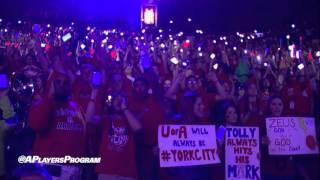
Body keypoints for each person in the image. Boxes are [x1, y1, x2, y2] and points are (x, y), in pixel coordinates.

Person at [28, 73, 89, 179]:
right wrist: (49, 97)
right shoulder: (43, 103)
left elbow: (83, 134)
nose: (61, 85)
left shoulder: (76, 106)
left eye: (65, 83)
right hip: (49, 168)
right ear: (51, 85)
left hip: (73, 169)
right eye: (57, 82)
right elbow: (36, 124)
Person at [95, 93, 142, 180]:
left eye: (121, 98)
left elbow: (138, 129)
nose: (118, 100)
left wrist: (124, 108)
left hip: (127, 173)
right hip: (106, 171)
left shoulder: (132, 120)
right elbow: (91, 119)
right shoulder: (106, 119)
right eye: (116, 98)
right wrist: (109, 101)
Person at [128, 77, 165, 180]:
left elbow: (160, 123)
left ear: (146, 87)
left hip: (152, 147)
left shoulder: (154, 102)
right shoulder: (130, 102)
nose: (139, 88)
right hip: (135, 147)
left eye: (141, 85)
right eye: (137, 86)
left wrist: (159, 143)